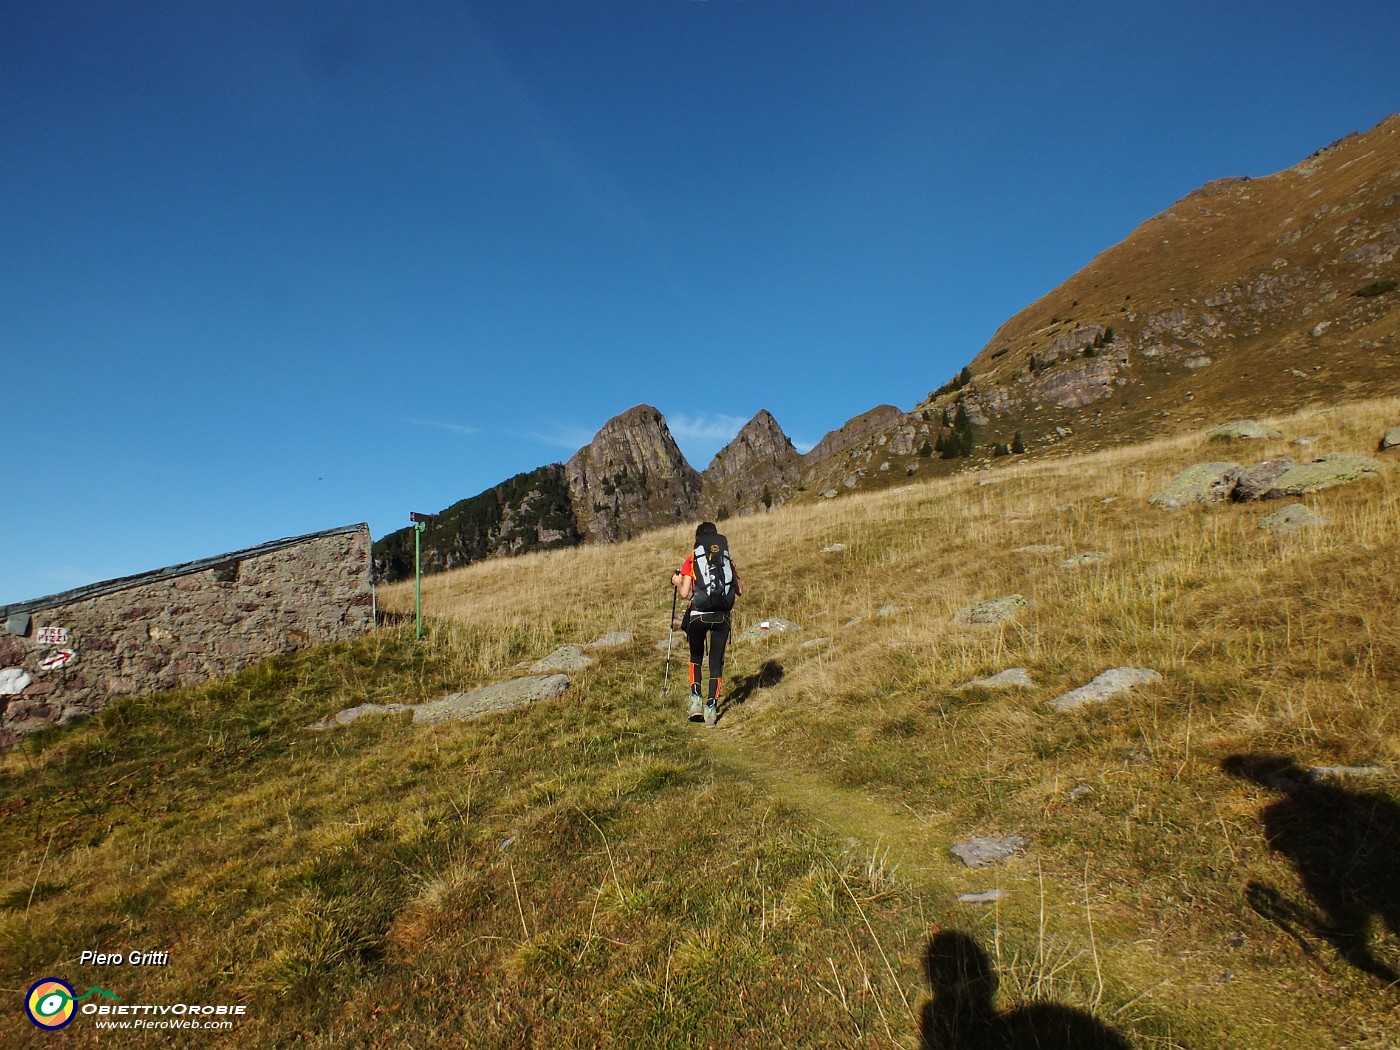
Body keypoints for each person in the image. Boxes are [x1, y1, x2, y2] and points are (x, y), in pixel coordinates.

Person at [671, 522, 743, 726]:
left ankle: (696, 702)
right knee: (716, 662)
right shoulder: (727, 559)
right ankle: (711, 709)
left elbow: (685, 593)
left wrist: (677, 581)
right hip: (721, 617)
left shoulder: (693, 558)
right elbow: (740, 590)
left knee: (696, 656)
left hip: (698, 615)